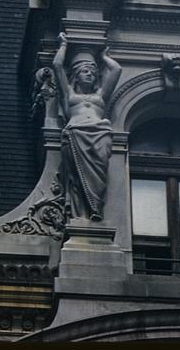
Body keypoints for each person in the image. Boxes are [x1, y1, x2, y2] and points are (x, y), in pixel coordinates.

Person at [52, 33, 122, 222]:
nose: (90, 74)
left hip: (100, 136)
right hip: (77, 135)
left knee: (99, 180)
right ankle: (84, 213)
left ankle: (96, 208)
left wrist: (103, 56)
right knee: (77, 180)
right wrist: (64, 45)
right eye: (85, 71)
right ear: (75, 75)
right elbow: (58, 66)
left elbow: (116, 69)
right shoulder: (69, 95)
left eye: (92, 72)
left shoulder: (100, 96)